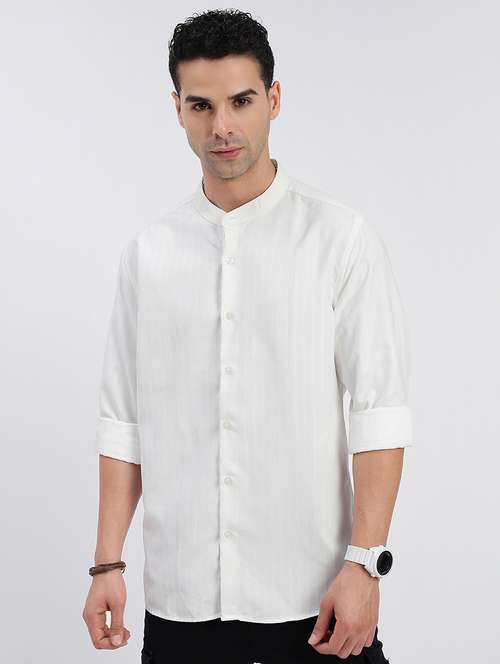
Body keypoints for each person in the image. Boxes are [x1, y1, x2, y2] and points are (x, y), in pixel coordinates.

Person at [82, 8, 412, 663]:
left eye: (241, 101)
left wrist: (366, 564)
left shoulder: (340, 240)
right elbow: (123, 422)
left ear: (274, 100)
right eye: (201, 105)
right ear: (177, 110)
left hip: (316, 597)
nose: (222, 127)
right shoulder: (149, 254)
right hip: (182, 602)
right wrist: (106, 563)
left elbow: (379, 413)